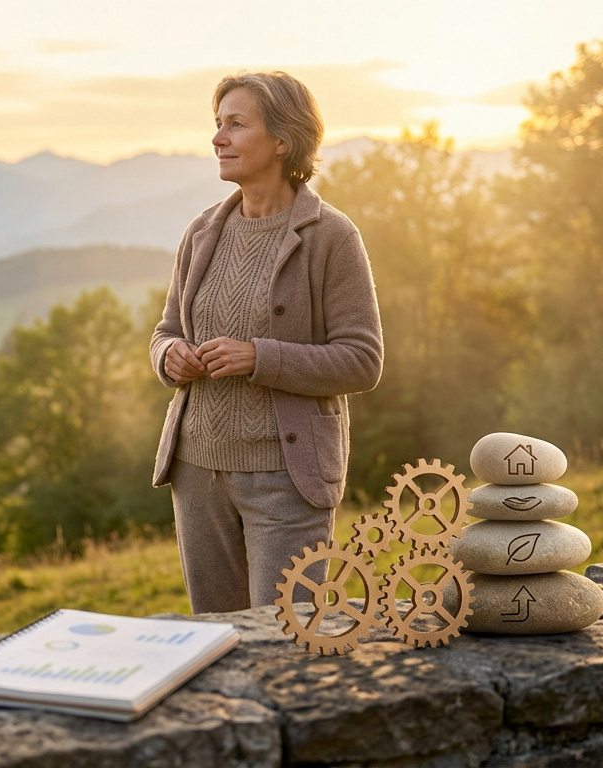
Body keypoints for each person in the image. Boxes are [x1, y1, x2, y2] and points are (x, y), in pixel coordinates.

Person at [149, 71, 383, 614]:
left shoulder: (331, 236)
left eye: (236, 124)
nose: (218, 138)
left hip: (286, 479)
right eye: (218, 124)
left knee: (286, 636)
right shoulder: (202, 232)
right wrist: (169, 356)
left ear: (282, 139)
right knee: (217, 639)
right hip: (196, 473)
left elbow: (363, 360)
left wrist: (259, 357)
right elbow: (166, 331)